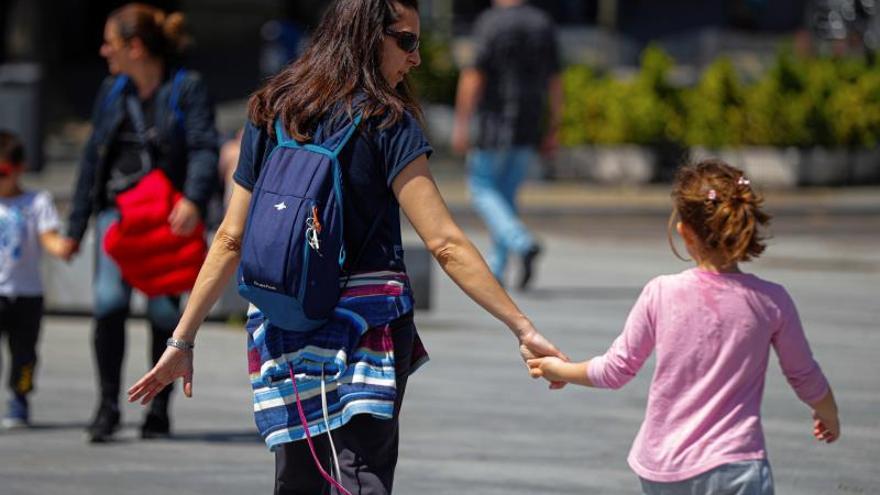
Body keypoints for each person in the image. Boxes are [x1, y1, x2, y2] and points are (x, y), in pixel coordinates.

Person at [127, 1, 565, 493]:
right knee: (361, 477)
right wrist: (522, 328)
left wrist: (181, 342)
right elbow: (443, 243)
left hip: (283, 323)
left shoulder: (272, 108)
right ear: (367, 36)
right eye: (407, 41)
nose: (415, 58)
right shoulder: (386, 121)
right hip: (367, 332)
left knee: (297, 479)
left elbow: (230, 237)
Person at [528, 159, 840, 494]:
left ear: (685, 233)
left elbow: (616, 369)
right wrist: (828, 414)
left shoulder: (662, 292)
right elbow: (804, 375)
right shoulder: (771, 300)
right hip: (735, 465)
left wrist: (560, 370)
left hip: (664, 468)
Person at [61, 3, 218, 443]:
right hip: (120, 216)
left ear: (134, 47)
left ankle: (157, 408)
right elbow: (92, 161)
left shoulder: (186, 88)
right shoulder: (113, 92)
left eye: (110, 43)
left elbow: (206, 147)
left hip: (167, 216)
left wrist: (193, 198)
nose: (103, 51)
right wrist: (74, 229)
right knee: (108, 304)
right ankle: (108, 405)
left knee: (164, 312)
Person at [451, 0, 563, 289]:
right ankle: (496, 267)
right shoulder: (542, 23)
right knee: (507, 197)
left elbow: (474, 75)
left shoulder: (490, 22)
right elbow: (555, 80)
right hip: (528, 122)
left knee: (481, 189)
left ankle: (521, 241)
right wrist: (554, 126)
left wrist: (461, 124)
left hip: (493, 124)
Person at [0, 130, 70, 428]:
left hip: (27, 293)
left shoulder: (36, 202)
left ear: (18, 169)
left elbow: (49, 238)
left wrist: (64, 247)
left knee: (24, 353)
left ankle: (20, 397)